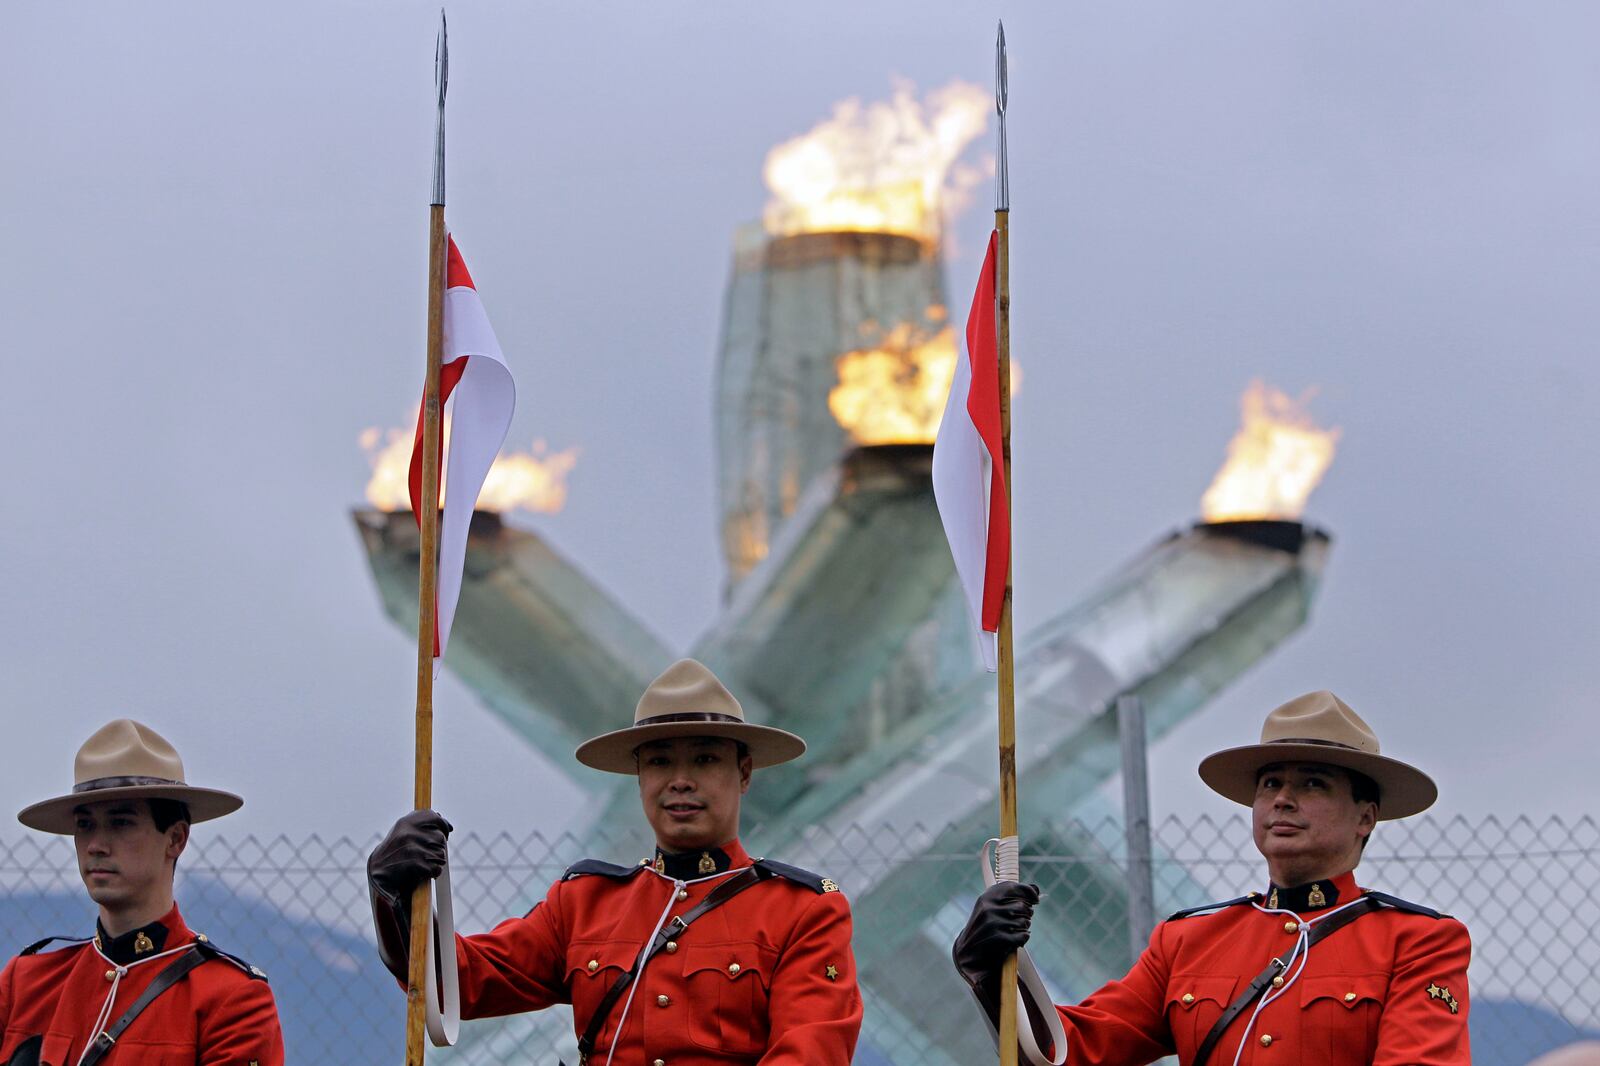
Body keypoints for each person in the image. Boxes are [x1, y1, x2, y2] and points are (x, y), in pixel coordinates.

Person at [368, 658, 863, 1065]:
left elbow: (809, 1056)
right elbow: (458, 984)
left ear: (745, 772)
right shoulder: (585, 903)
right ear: (640, 777)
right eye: (660, 761)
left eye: (705, 759)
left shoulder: (803, 911)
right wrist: (393, 897)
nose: (680, 780)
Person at [953, 691, 1471, 1066]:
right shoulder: (1187, 942)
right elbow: (1067, 1053)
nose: (1282, 799)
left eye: (1313, 783)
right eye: (1270, 783)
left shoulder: (1417, 942)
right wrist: (993, 971)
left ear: (1365, 817)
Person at [0, 719, 283, 1065]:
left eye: (121, 823)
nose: (95, 845)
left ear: (176, 838)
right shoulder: (26, 985)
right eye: (85, 825)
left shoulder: (231, 999)